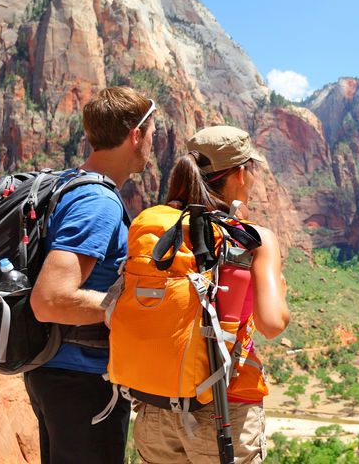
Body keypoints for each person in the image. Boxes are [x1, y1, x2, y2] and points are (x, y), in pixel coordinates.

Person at [133, 125, 291, 464]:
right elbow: (273, 323)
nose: (253, 178)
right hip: (225, 408)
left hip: (155, 406)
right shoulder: (252, 238)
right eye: (252, 169)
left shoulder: (157, 226)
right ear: (238, 174)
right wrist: (279, 286)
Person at [25, 86, 156, 464]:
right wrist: (132, 306)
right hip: (79, 378)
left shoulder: (71, 182)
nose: (152, 143)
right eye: (151, 134)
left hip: (58, 372)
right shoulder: (97, 202)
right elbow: (50, 299)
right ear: (135, 136)